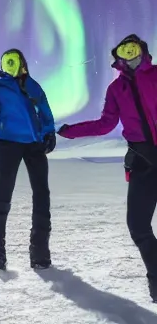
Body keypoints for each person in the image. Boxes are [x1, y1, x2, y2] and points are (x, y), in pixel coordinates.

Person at [58, 34, 157, 301]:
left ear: (143, 51)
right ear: (119, 57)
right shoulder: (116, 90)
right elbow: (105, 124)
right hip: (143, 162)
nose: (130, 53)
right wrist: (70, 132)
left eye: (134, 47)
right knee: (138, 225)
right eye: (124, 49)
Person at [0, 48, 56, 270]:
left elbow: (45, 110)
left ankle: (40, 252)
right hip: (8, 144)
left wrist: (49, 131)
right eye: (6, 61)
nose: (10, 65)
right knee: (3, 195)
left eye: (14, 61)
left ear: (22, 64)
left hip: (34, 145)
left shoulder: (32, 86)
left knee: (42, 195)